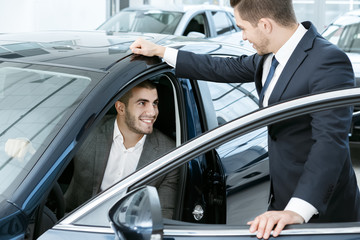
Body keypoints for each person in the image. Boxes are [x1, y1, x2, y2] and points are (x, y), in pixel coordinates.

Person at [129, 0, 360, 239]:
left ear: (265, 25)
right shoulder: (271, 55)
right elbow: (223, 67)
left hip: (321, 211)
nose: (242, 37)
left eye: (243, 28)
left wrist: (296, 210)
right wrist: (161, 52)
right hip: (280, 203)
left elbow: (330, 144)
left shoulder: (328, 62)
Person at [64, 80, 178, 219]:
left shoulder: (168, 152)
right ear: (121, 108)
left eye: (155, 103)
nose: (152, 112)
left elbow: (163, 215)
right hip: (75, 224)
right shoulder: (88, 132)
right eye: (142, 103)